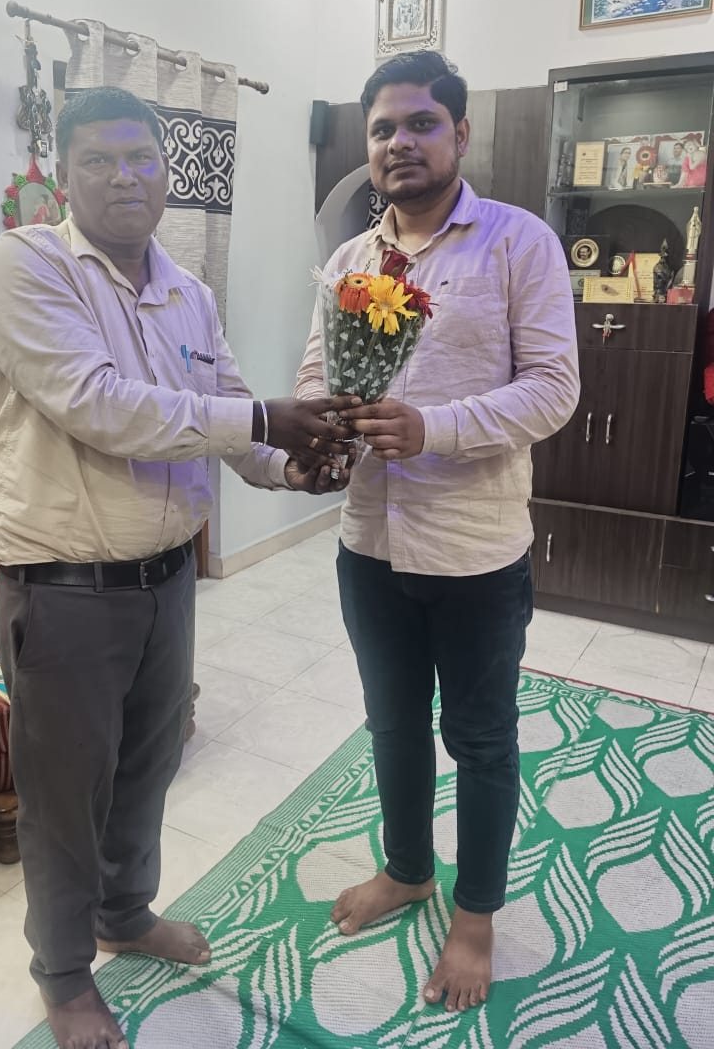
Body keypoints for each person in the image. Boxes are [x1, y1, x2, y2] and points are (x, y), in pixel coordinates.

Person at [0, 86, 357, 1049]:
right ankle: (65, 976)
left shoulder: (188, 290)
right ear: (66, 176)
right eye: (99, 161)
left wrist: (293, 466)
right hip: (63, 591)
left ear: (167, 169)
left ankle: (124, 913)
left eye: (142, 157)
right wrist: (266, 419)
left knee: (150, 766)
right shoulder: (28, 265)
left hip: (165, 582)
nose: (124, 177)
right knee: (67, 798)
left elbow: (223, 409)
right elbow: (104, 406)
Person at [294, 51, 579, 1015]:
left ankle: (475, 917)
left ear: (459, 133)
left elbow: (554, 389)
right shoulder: (348, 262)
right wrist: (318, 438)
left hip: (474, 548)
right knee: (391, 723)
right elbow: (313, 376)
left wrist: (435, 428)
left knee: (481, 739)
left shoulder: (518, 242)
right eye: (383, 129)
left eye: (420, 123)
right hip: (368, 545)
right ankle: (408, 869)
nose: (399, 143)